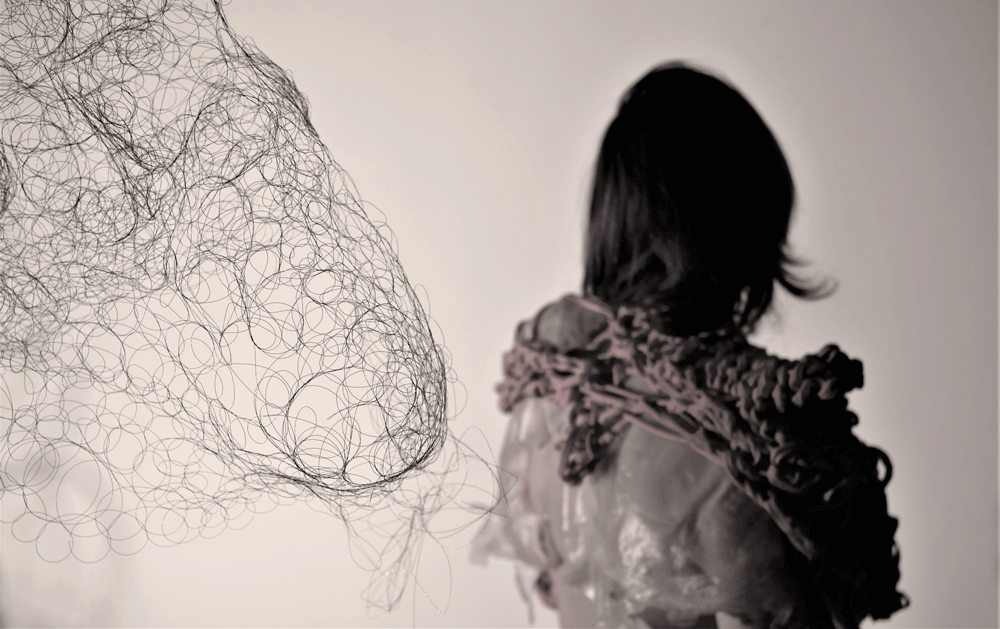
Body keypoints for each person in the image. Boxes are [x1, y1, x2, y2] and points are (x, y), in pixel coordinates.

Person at [471, 63, 907, 629]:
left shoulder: (549, 391)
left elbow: (557, 583)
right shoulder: (751, 450)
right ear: (742, 228)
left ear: (612, 220)